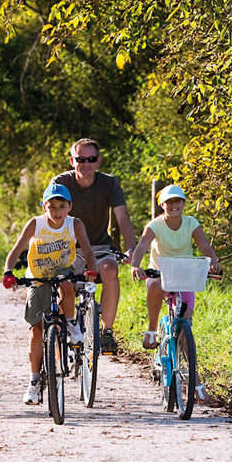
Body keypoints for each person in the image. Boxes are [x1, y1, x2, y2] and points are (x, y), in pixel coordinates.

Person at [2, 183, 97, 405]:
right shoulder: (35, 224)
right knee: (36, 328)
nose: (57, 212)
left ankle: (72, 324)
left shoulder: (75, 224)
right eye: (51, 206)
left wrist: (91, 270)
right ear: (44, 207)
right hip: (37, 275)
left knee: (67, 282)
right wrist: (8, 272)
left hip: (62, 270)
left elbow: (88, 250)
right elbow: (16, 251)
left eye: (62, 206)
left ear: (70, 206)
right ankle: (35, 381)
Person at [130, 184, 221, 403]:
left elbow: (204, 246)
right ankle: (152, 330)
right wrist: (136, 265)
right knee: (153, 286)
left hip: (185, 275)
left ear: (183, 203)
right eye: (169, 202)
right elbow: (142, 246)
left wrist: (213, 263)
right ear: (162, 205)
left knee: (185, 330)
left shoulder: (191, 224)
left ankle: (195, 382)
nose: (174, 205)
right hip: (160, 273)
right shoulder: (155, 225)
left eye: (177, 201)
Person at [51, 138, 136, 355]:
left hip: (99, 246)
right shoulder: (60, 183)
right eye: (80, 159)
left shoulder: (109, 183)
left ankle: (107, 332)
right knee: (64, 284)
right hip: (68, 247)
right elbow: (48, 218)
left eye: (90, 159)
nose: (85, 163)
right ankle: (64, 335)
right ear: (72, 161)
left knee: (110, 270)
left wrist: (131, 249)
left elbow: (123, 218)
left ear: (98, 161)